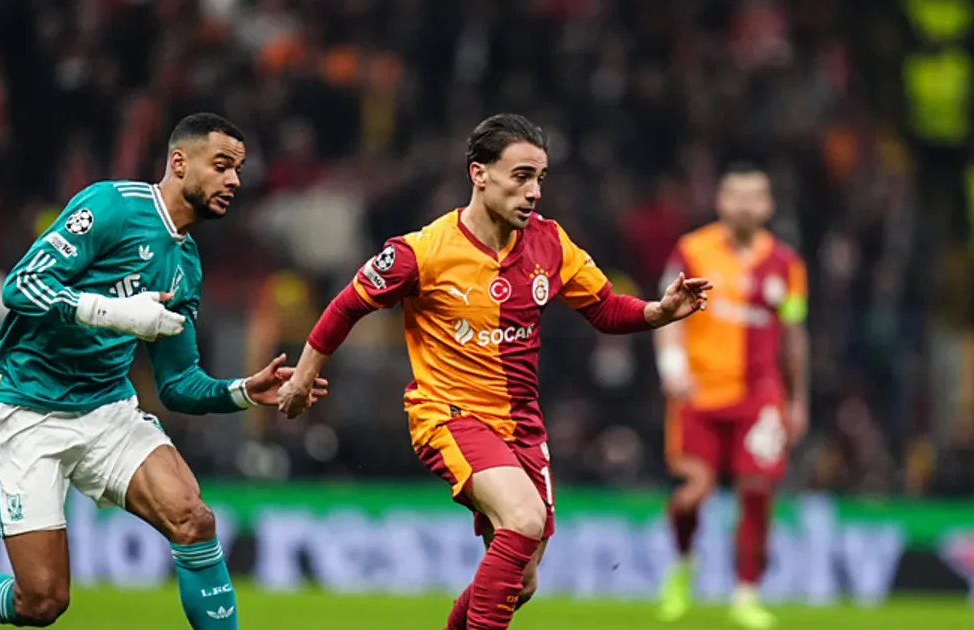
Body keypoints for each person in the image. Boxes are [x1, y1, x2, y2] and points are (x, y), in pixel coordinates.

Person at [0, 113, 327, 630]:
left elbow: (177, 385)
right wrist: (114, 312)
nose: (234, 181)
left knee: (194, 519)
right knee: (41, 601)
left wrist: (244, 391)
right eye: (222, 165)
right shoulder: (112, 206)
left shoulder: (185, 265)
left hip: (105, 411)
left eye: (239, 170)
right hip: (24, 409)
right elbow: (21, 285)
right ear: (179, 162)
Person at [277, 113, 712, 630]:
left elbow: (604, 308)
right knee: (523, 519)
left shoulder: (550, 243)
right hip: (449, 414)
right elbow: (347, 305)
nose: (534, 192)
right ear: (479, 174)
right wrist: (303, 377)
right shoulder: (422, 252)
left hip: (522, 425)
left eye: (540, 178)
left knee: (521, 581)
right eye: (521, 176)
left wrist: (658, 312)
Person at [653, 161, 809, 630]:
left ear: (768, 205)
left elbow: (794, 334)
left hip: (760, 396)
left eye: (753, 196)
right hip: (698, 394)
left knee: (757, 490)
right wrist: (672, 367)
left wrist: (798, 400)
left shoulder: (787, 264)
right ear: (720, 201)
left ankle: (746, 594)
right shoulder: (691, 251)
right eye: (735, 195)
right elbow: (666, 312)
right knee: (693, 492)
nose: (744, 205)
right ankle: (684, 561)